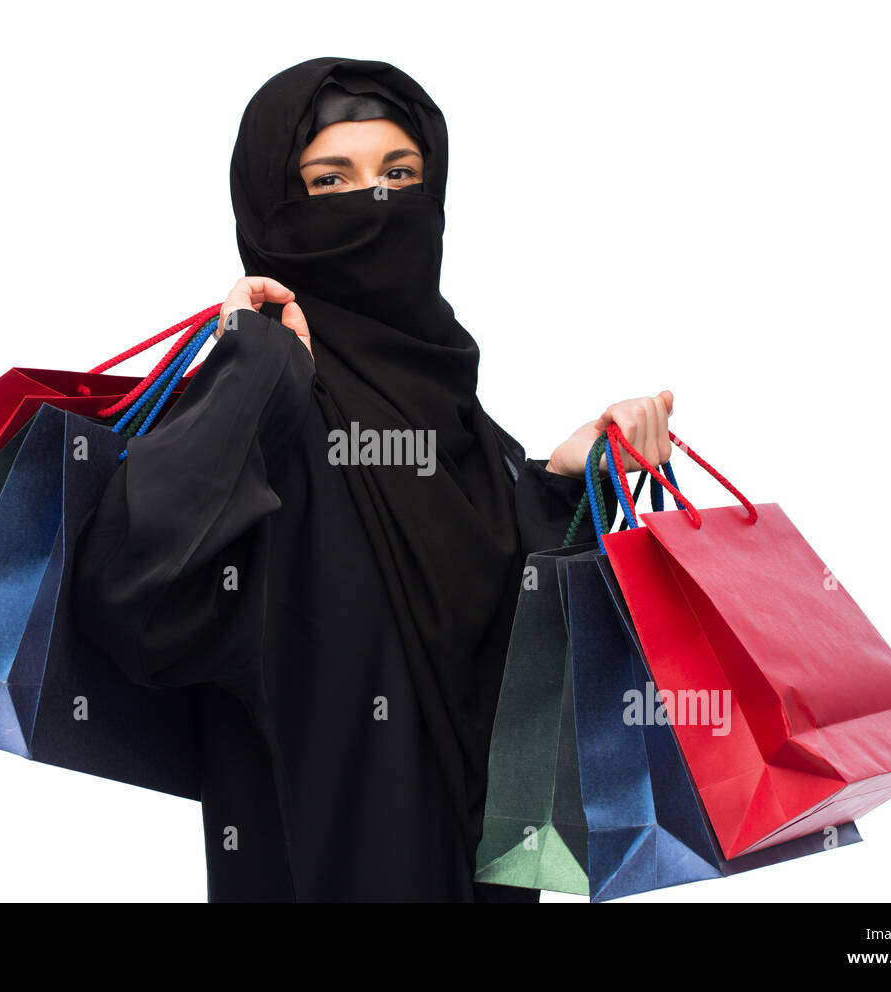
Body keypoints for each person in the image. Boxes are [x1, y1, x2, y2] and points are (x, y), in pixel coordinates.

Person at [71, 56, 674, 902]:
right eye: (331, 180)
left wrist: (563, 487)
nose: (377, 202)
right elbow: (130, 601)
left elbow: (512, 666)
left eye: (400, 174)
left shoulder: (462, 426)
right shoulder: (263, 403)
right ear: (272, 210)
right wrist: (251, 375)